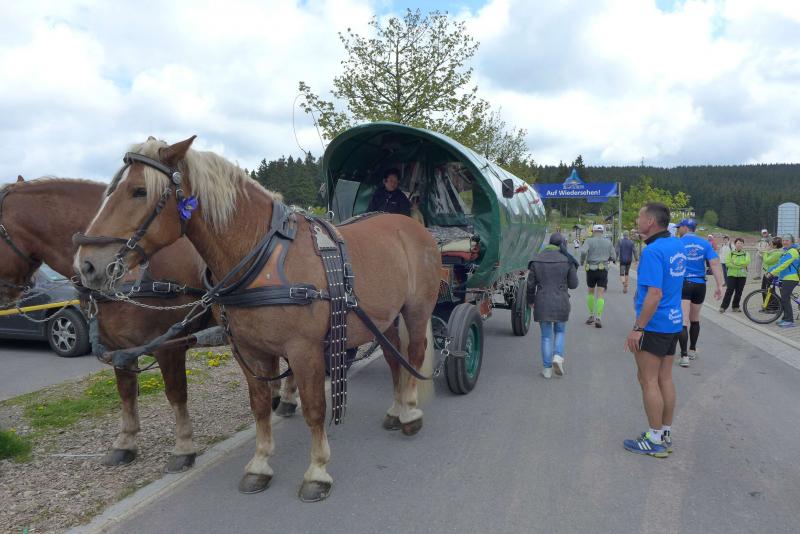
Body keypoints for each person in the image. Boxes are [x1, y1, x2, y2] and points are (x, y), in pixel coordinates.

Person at [623, 202, 685, 458]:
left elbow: (654, 294)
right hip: (673, 322)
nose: (637, 221)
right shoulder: (676, 245)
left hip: (655, 324)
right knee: (665, 379)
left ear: (650, 221)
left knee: (647, 380)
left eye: (640, 217)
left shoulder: (653, 251)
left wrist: (638, 328)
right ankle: (665, 432)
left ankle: (654, 438)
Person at [527, 233, 579, 379]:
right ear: (562, 244)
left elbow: (530, 285)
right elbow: (574, 285)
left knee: (546, 336)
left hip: (542, 301)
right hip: (561, 301)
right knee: (560, 331)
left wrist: (530, 300)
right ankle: (557, 356)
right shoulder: (567, 260)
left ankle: (547, 369)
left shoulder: (537, 259)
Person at [675, 219, 725, 368]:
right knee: (695, 318)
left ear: (685, 228)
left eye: (679, 227)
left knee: (683, 320)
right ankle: (692, 349)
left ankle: (684, 356)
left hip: (683, 283)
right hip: (700, 284)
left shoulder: (677, 243)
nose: (678, 230)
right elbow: (714, 263)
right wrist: (720, 285)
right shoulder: (705, 244)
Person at [580, 224, 616, 328]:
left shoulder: (589, 241)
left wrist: (582, 261)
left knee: (591, 292)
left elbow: (583, 251)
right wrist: (606, 258)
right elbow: (614, 256)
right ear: (602, 232)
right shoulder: (608, 242)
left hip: (591, 269)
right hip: (603, 269)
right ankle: (598, 317)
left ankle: (591, 315)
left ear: (593, 231)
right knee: (600, 294)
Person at [766, 234, 800, 328]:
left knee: (785, 299)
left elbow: (784, 265)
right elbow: (778, 264)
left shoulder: (793, 251)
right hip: (784, 278)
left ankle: (789, 321)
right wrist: (769, 270)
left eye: (787, 240)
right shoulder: (786, 251)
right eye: (783, 240)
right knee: (784, 299)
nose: (785, 242)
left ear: (792, 242)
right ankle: (785, 318)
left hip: (791, 278)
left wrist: (772, 273)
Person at [719, 238, 750, 313]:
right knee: (729, 291)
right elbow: (728, 263)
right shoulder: (730, 253)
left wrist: (734, 263)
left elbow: (746, 262)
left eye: (741, 243)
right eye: (738, 243)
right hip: (731, 275)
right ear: (735, 244)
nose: (739, 245)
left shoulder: (746, 253)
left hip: (742, 276)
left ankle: (735, 307)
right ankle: (723, 307)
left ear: (743, 244)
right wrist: (740, 266)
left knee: (739, 292)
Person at [761, 236, 785, 310]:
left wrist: (765, 252)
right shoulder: (774, 251)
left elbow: (767, 261)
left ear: (775, 245)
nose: (769, 245)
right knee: (767, 289)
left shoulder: (777, 253)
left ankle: (772, 306)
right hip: (769, 273)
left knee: (767, 290)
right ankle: (769, 305)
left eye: (770, 244)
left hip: (771, 274)